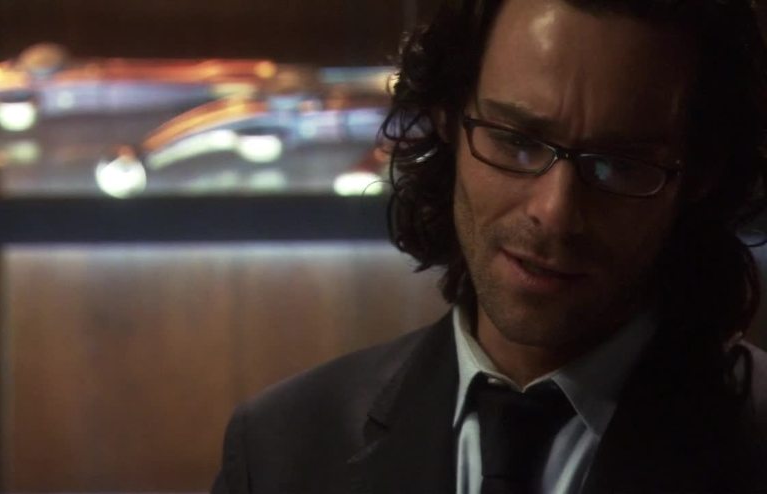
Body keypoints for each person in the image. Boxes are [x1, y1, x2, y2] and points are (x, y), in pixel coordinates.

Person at [211, 0, 767, 492]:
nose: (555, 212)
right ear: (447, 120)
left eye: (619, 165)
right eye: (517, 142)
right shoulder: (282, 451)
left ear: (700, 179)